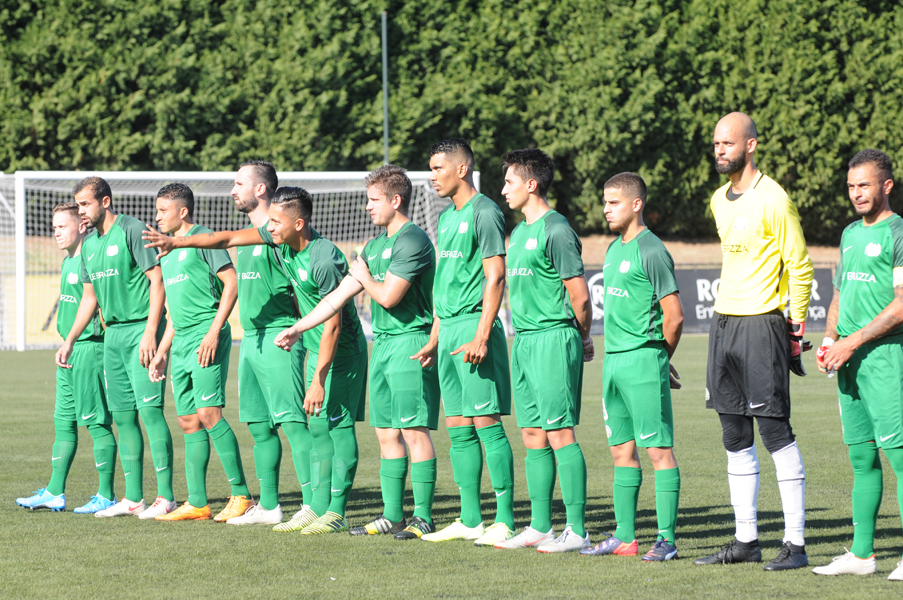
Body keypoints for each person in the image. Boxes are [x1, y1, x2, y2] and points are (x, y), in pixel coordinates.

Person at [144, 186, 367, 534]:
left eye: (276, 222)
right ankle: (289, 506)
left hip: (335, 350)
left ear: (298, 222)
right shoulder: (278, 238)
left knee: (322, 427)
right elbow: (228, 237)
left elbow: (334, 326)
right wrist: (177, 243)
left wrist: (317, 378)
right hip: (276, 337)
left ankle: (321, 507)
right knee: (271, 426)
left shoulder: (321, 257)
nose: (270, 228)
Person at [274, 165, 441, 540]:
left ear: (396, 200)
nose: (367, 207)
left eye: (373, 200)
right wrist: (298, 327)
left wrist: (364, 277)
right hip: (380, 343)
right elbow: (336, 298)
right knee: (386, 433)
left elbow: (388, 296)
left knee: (414, 431)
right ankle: (392, 515)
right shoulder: (374, 246)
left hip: (411, 341)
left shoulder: (411, 240)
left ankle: (424, 516)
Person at [694, 112, 813, 570]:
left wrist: (795, 327)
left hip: (762, 324)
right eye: (716, 143)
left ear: (751, 145)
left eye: (728, 142)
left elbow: (799, 267)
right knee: (733, 433)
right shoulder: (718, 200)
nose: (720, 150)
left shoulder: (775, 199)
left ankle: (796, 546)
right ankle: (746, 541)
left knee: (774, 431)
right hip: (723, 324)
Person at [413, 138, 516, 546]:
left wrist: (482, 334)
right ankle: (470, 518)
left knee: (486, 424)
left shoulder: (485, 211)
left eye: (438, 167)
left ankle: (504, 519)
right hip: (450, 329)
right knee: (457, 426)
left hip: (476, 325)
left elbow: (496, 276)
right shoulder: (447, 217)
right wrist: (435, 337)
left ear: (462, 169)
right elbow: (444, 286)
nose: (432, 175)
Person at [490, 149, 594, 553]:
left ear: (531, 184)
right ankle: (538, 526)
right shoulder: (517, 233)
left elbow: (580, 298)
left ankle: (578, 529)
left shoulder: (557, 229)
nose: (503, 191)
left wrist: (581, 336)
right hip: (525, 340)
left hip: (554, 337)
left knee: (558, 432)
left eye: (509, 182)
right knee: (532, 433)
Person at [55, 177, 176, 519]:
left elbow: (158, 280)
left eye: (84, 204)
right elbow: (89, 298)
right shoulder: (90, 245)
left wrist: (151, 332)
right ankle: (134, 497)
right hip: (113, 338)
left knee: (150, 413)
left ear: (104, 202)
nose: (80, 210)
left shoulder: (132, 229)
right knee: (123, 418)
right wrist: (70, 339)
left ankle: (166, 497)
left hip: (141, 330)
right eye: (77, 204)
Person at [578, 172, 684, 561]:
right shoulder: (611, 249)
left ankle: (667, 540)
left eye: (614, 202)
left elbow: (674, 317)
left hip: (642, 359)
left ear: (636, 204)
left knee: (658, 451)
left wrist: (659, 358)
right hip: (613, 362)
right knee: (621, 450)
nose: (606, 209)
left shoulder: (651, 249)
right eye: (605, 202)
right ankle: (625, 536)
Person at [813, 149, 903, 580]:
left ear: (886, 185)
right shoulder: (849, 234)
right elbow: (839, 295)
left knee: (900, 458)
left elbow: (902, 306)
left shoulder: (898, 232)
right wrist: (831, 340)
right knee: (862, 458)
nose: (856, 193)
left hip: (886, 359)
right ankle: (863, 556)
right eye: (851, 186)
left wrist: (854, 341)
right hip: (848, 360)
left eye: (864, 185)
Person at [145, 183, 251, 522]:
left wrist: (214, 331)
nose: (157, 216)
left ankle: (241, 495)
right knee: (188, 420)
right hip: (182, 341)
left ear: (183, 211)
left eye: (163, 210)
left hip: (208, 333)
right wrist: (163, 349)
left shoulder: (205, 239)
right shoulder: (168, 252)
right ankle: (198, 503)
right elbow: (176, 313)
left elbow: (232, 284)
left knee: (209, 413)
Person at [16, 203, 117, 514]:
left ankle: (106, 495)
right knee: (63, 422)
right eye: (54, 226)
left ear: (81, 227)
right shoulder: (67, 262)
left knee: (97, 423)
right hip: (68, 352)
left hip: (88, 350)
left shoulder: (92, 259)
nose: (56, 232)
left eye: (62, 226)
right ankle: (55, 492)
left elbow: (100, 306)